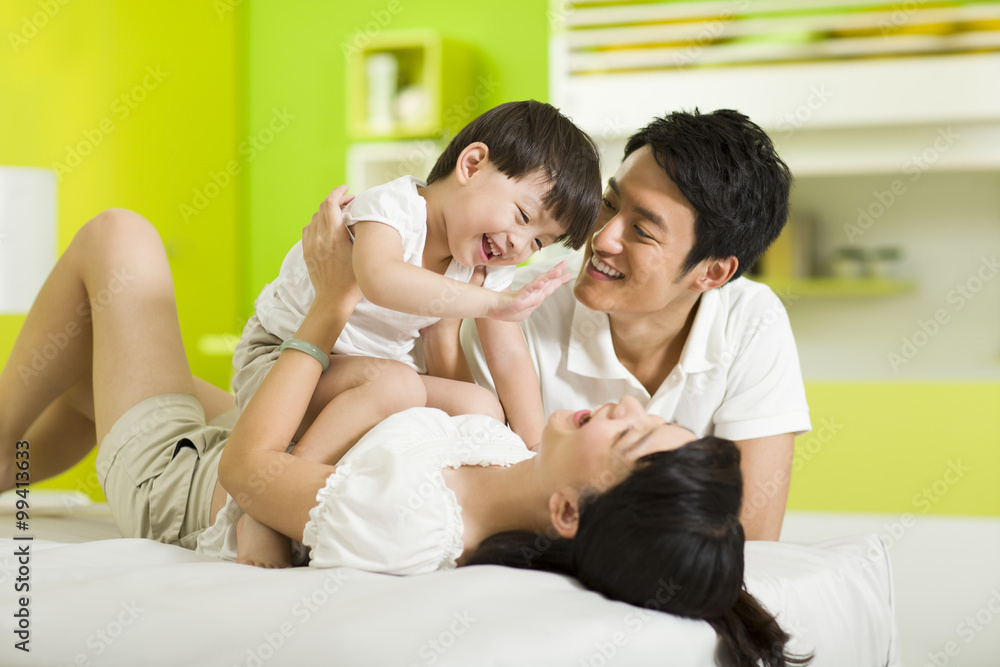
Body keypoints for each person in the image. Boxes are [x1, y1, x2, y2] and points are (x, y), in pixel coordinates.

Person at [0, 204, 808, 667]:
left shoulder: (416, 520)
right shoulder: (514, 453)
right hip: (251, 434)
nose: (626, 406)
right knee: (83, 381)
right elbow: (452, 372)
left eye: (631, 439)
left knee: (118, 239)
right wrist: (458, 315)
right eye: (652, 415)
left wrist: (332, 304)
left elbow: (252, 477)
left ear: (568, 514)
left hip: (188, 484)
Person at [232, 100, 599, 564]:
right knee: (397, 382)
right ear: (471, 164)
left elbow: (507, 357)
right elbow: (379, 279)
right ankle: (267, 503)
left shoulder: (481, 262)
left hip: (364, 381)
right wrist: (495, 303)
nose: (519, 246)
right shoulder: (394, 208)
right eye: (523, 218)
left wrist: (530, 446)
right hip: (281, 361)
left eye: (539, 243)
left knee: (481, 405)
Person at [460, 109, 812, 541]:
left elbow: (752, 541)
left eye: (642, 231)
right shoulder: (513, 307)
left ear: (713, 273)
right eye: (609, 203)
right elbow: (483, 501)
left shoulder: (751, 320)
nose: (603, 238)